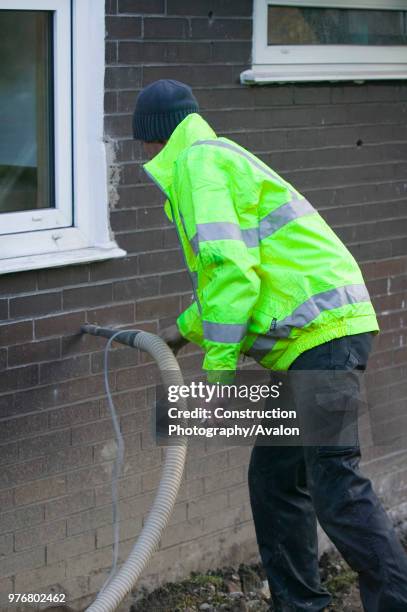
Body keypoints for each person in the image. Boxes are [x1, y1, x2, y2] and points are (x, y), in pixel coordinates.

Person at [132, 79, 407, 611]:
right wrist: (185, 329)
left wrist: (218, 372)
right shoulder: (211, 158)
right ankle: (300, 605)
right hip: (312, 340)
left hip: (322, 338)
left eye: (140, 143)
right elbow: (234, 274)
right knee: (276, 479)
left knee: (336, 484)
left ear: (151, 139)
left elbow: (231, 274)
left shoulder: (196, 165)